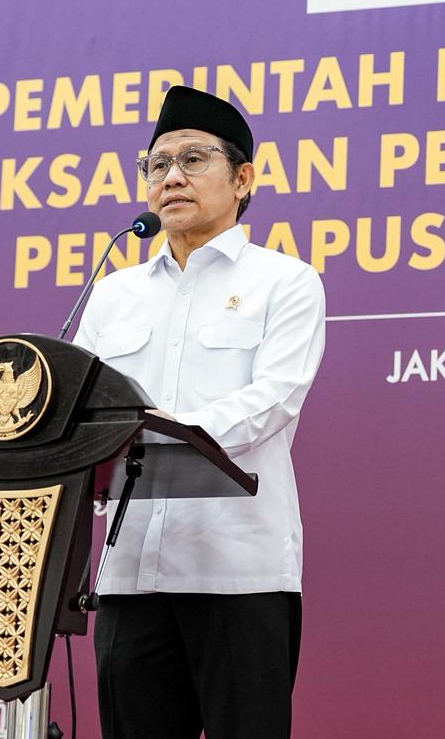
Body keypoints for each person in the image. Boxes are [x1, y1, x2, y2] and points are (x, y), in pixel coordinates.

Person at [74, 85, 326, 739]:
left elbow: (274, 396)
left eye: (192, 159)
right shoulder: (113, 294)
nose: (171, 177)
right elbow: (83, 411)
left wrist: (160, 436)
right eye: (157, 165)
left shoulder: (285, 282)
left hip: (239, 571)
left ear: (242, 180)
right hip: (130, 574)